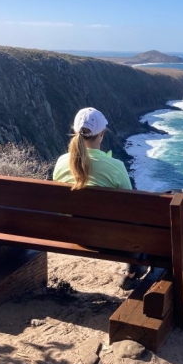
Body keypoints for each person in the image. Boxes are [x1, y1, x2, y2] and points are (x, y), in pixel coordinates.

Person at [53, 107, 150, 290]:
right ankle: (133, 269)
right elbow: (131, 209)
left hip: (72, 235)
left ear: (75, 132)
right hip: (109, 240)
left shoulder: (61, 163)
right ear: (102, 134)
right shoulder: (115, 167)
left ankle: (132, 270)